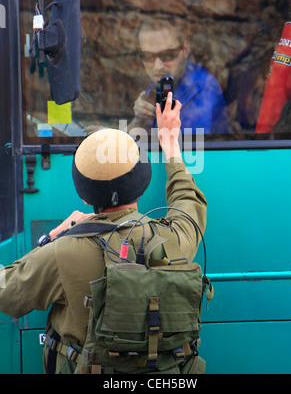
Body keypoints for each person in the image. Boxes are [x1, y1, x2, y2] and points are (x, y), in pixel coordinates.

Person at [0, 93, 207, 374]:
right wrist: (170, 144)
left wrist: (52, 237)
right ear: (142, 185)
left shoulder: (61, 252)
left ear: (84, 198)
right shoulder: (173, 241)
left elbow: (7, 293)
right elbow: (188, 203)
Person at [129, 19, 230, 134]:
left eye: (167, 55)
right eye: (147, 56)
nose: (157, 66)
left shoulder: (201, 88)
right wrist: (139, 121)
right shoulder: (162, 81)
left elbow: (190, 147)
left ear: (185, 49)